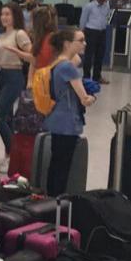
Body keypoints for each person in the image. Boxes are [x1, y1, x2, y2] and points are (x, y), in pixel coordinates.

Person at [42, 29, 95, 196]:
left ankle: (50, 200)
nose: (84, 43)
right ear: (67, 44)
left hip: (56, 119)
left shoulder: (57, 63)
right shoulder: (68, 68)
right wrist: (92, 97)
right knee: (62, 167)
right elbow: (84, 99)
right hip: (68, 122)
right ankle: (57, 201)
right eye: (80, 40)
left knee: (56, 162)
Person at [0, 2, 33, 159]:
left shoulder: (19, 34)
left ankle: (13, 152)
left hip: (14, 76)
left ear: (15, 16)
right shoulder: (0, 36)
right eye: (2, 14)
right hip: (1, 75)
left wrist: (17, 51)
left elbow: (32, 55)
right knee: (6, 119)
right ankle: (10, 155)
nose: (4, 17)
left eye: (8, 14)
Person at [80, 0, 111, 84]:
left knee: (100, 55)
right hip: (91, 32)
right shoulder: (89, 6)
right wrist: (82, 33)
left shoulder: (106, 6)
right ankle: (86, 77)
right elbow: (83, 20)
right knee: (89, 55)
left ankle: (97, 77)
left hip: (102, 32)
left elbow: (106, 17)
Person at [28, 5, 58, 86]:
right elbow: (33, 61)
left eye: (32, 21)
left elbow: (75, 59)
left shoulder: (54, 38)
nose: (31, 24)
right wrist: (30, 81)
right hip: (39, 79)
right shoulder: (38, 39)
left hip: (50, 80)